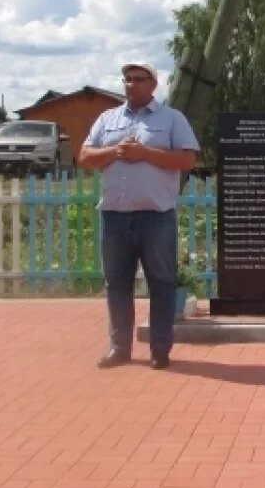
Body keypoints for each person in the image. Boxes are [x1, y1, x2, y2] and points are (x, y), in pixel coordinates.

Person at [79, 61, 200, 369]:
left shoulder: (172, 119)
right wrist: (116, 151)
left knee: (161, 282)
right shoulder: (108, 119)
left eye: (138, 80)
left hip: (155, 216)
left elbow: (187, 160)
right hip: (115, 216)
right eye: (127, 79)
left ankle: (160, 350)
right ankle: (119, 348)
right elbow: (85, 156)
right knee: (116, 283)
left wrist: (145, 154)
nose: (130, 84)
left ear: (153, 85)